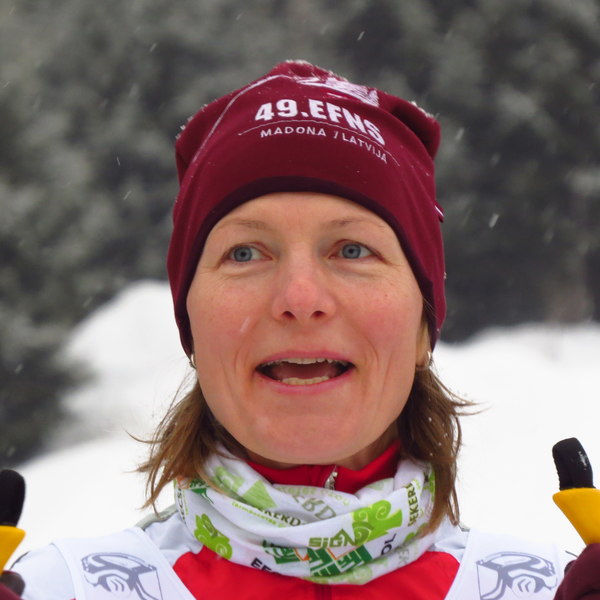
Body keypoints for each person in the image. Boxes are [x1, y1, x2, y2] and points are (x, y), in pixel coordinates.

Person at [1, 60, 596, 599]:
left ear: (423, 323)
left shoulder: (547, 589)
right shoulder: (59, 589)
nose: (300, 299)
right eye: (244, 253)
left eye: (353, 249)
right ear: (192, 328)